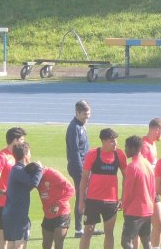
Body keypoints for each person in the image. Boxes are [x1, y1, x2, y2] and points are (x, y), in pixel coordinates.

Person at [79, 128, 127, 249]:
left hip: (111, 201)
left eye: (116, 140)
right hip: (93, 200)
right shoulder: (93, 154)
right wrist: (81, 201)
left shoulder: (119, 154)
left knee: (109, 232)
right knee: (88, 231)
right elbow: (84, 178)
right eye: (112, 141)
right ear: (104, 141)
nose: (115, 143)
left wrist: (123, 198)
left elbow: (126, 177)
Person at [4, 142, 46, 249]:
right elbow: (34, 183)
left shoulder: (16, 169)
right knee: (20, 243)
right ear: (26, 155)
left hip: (11, 212)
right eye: (29, 153)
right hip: (18, 214)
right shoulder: (18, 170)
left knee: (12, 243)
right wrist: (39, 168)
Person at [0, 127, 29, 249]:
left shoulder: (19, 155)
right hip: (3, 204)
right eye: (22, 139)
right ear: (15, 140)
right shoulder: (2, 156)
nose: (23, 142)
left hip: (16, 204)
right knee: (3, 239)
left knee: (15, 239)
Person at [121, 136, 157, 249]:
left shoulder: (132, 167)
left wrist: (125, 208)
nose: (125, 150)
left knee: (126, 242)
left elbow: (128, 191)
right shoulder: (148, 164)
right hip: (148, 210)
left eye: (126, 147)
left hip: (135, 211)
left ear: (133, 148)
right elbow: (153, 189)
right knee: (146, 241)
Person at [67, 101, 93, 238]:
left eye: (88, 114)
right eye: (84, 114)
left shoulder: (81, 125)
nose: (87, 117)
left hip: (85, 167)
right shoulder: (74, 128)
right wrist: (81, 170)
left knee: (87, 196)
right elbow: (75, 151)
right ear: (77, 113)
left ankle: (88, 226)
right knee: (81, 196)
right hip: (79, 168)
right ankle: (78, 229)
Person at [38, 164, 76, 249]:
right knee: (46, 244)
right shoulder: (34, 177)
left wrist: (58, 203)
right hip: (48, 214)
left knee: (58, 242)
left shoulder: (53, 174)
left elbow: (71, 189)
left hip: (62, 213)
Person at [142, 118, 161, 249]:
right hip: (145, 191)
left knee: (159, 224)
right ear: (157, 130)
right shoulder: (144, 146)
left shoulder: (152, 144)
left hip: (153, 190)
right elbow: (142, 170)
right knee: (141, 226)